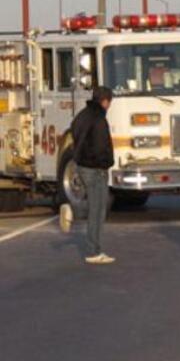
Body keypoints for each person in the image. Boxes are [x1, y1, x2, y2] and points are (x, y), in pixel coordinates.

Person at [69, 86, 116, 264]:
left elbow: (73, 130)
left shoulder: (83, 115)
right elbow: (100, 145)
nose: (109, 105)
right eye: (109, 102)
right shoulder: (99, 119)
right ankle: (94, 251)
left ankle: (93, 247)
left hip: (82, 165)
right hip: (95, 169)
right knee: (97, 210)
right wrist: (106, 163)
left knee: (94, 207)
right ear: (105, 101)